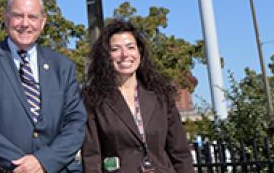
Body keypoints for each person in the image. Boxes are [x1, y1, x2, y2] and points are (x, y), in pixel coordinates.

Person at [0, 0, 86, 173]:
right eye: (18, 15)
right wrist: (20, 164)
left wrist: (43, 162)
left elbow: (76, 123)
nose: (25, 23)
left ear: (42, 22)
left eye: (33, 17)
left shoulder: (63, 66)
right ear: (6, 18)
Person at [82, 19, 194, 173]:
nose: (125, 54)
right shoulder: (94, 99)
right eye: (115, 49)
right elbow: (91, 157)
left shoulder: (160, 94)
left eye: (130, 47)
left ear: (139, 52)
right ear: (106, 56)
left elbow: (180, 152)